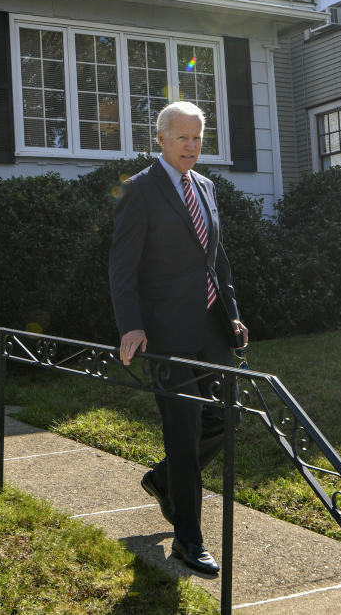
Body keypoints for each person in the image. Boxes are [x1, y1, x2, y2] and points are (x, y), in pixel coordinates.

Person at [108, 101, 248, 575]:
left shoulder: (206, 187)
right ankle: (189, 541)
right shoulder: (139, 191)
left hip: (210, 328)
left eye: (198, 137)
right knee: (184, 432)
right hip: (166, 335)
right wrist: (131, 325)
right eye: (182, 137)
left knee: (226, 420)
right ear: (161, 139)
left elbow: (217, 260)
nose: (192, 146)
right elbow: (122, 268)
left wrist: (232, 315)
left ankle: (165, 481)